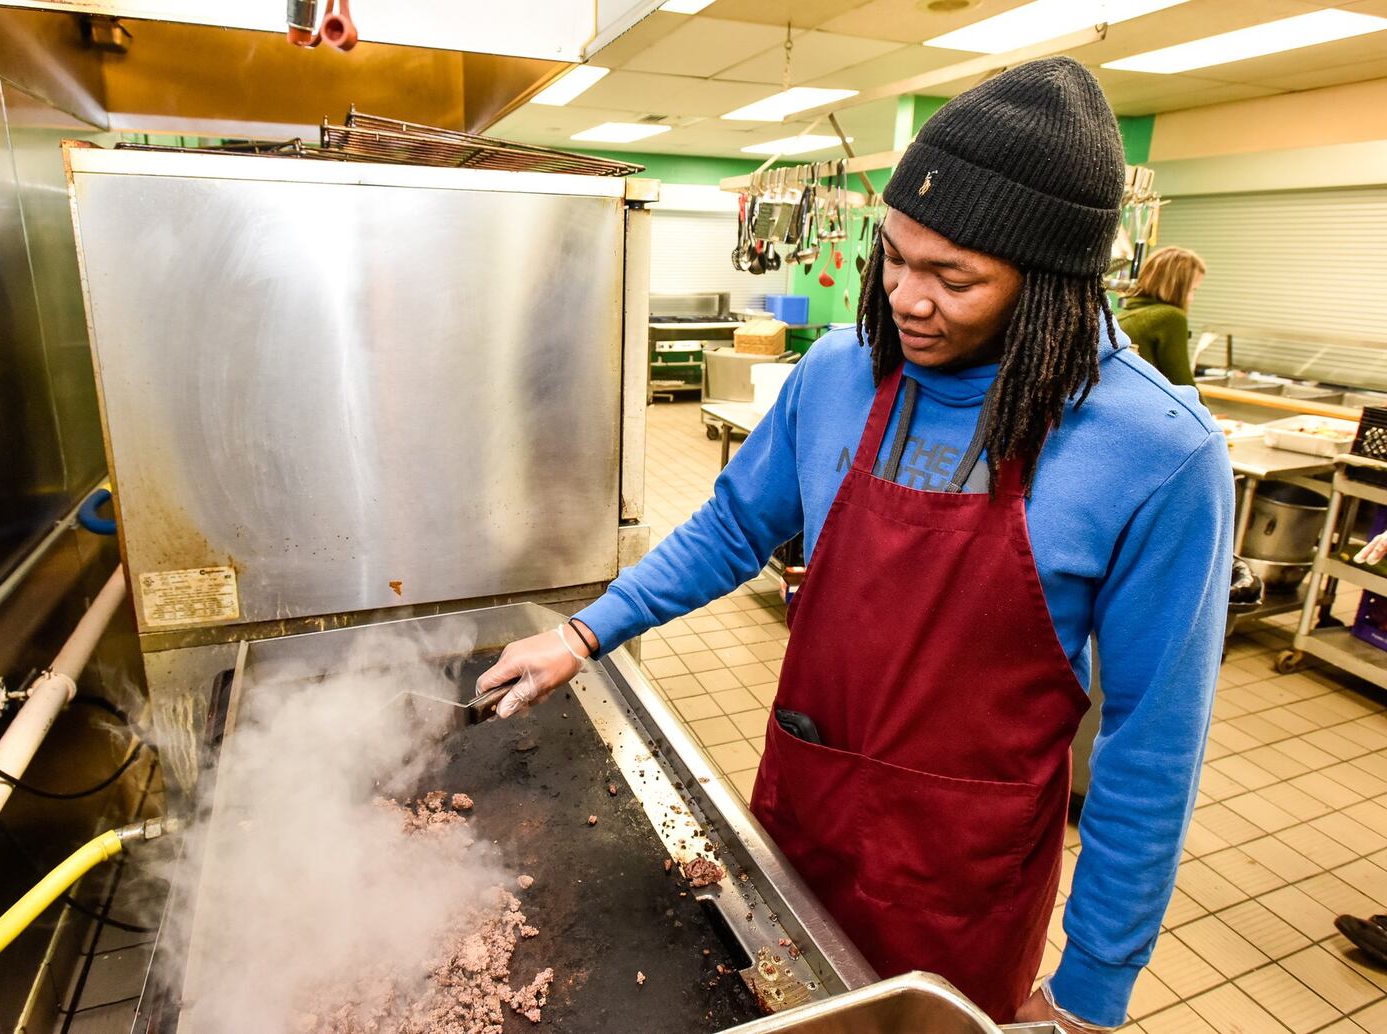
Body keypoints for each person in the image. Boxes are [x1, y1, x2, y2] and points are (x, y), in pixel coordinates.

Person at [478, 58, 1232, 1032]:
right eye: (895, 256)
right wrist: (584, 633)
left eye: (952, 277)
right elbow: (733, 527)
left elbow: (1152, 742)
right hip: (802, 816)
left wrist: (1096, 977)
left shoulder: (1156, 452)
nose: (907, 298)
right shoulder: (840, 371)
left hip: (961, 876)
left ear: (1050, 282)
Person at [1116, 246, 1206, 388]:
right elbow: (1182, 383)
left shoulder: (1126, 315)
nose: (1192, 298)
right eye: (1192, 289)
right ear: (1176, 286)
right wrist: (1205, 411)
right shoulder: (1170, 317)